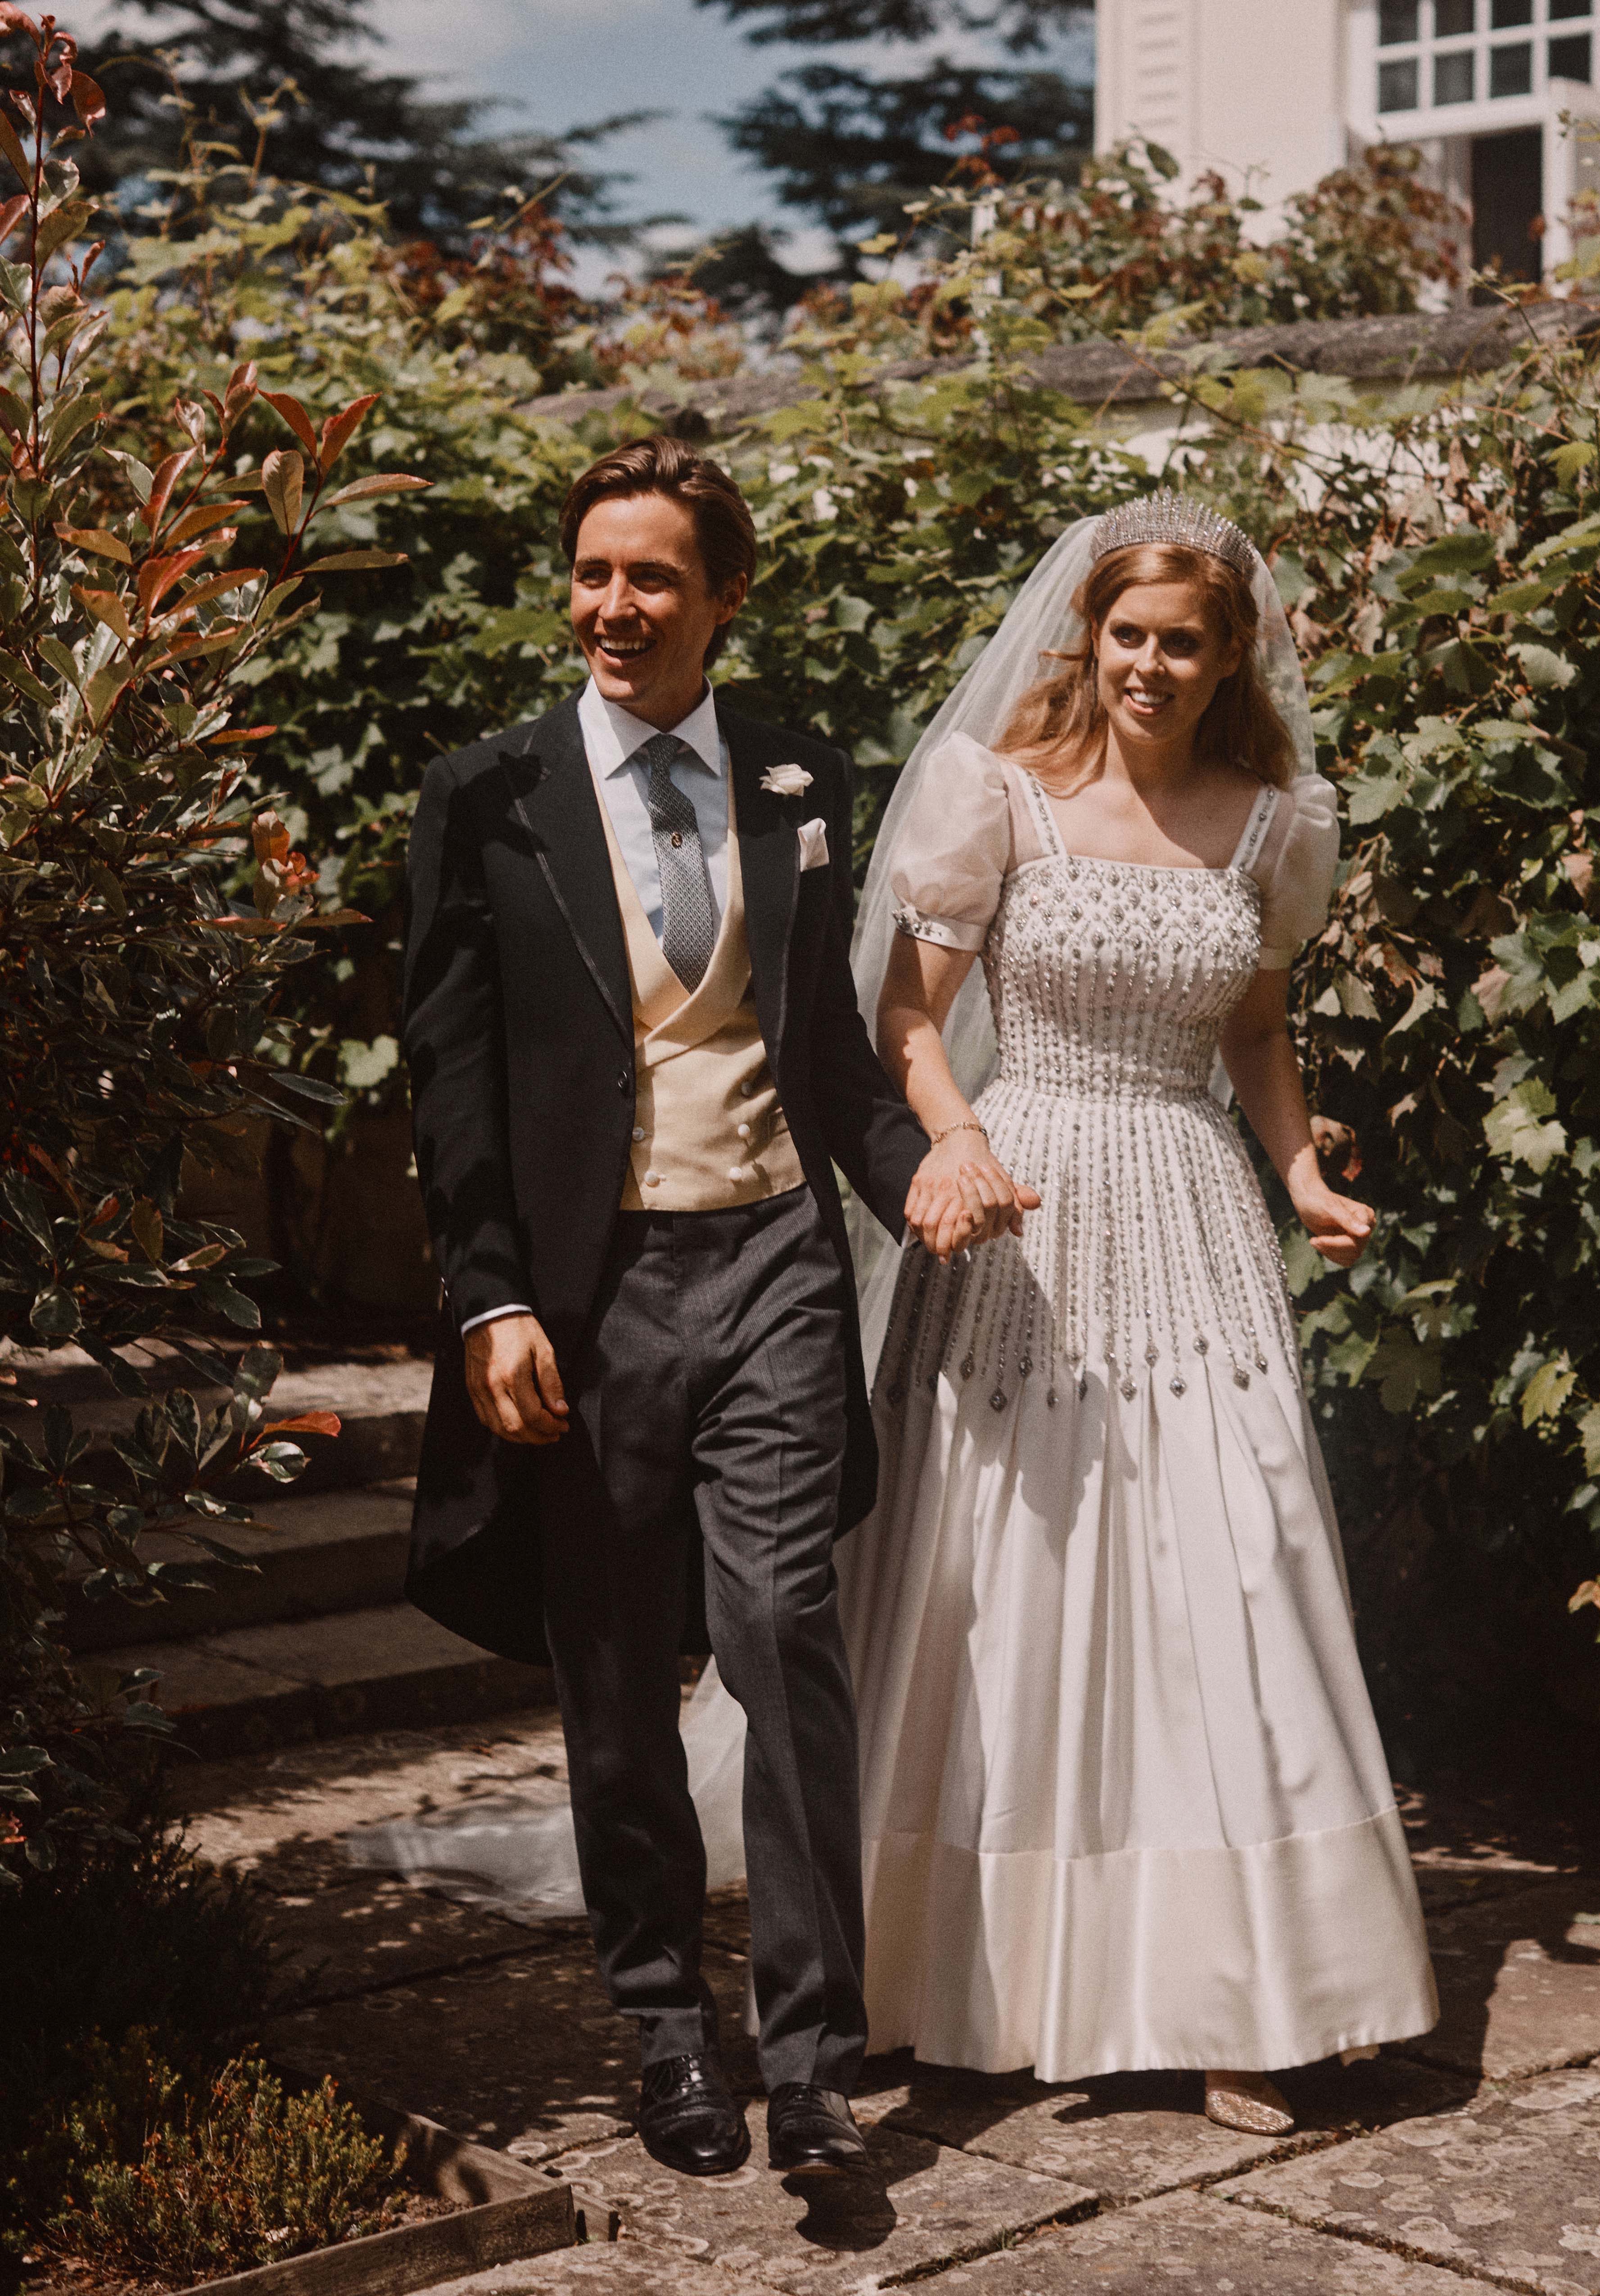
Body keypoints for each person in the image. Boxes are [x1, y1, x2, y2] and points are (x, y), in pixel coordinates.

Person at [398, 434, 1023, 2184]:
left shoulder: (796, 771)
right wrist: (488, 1296)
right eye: (592, 572)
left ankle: (813, 2058)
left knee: (782, 1645)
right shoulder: (489, 794)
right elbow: (447, 1077)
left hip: (769, 1265)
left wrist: (915, 1161)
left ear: (721, 596)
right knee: (611, 1672)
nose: (612, 606)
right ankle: (668, 2033)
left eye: (651, 575)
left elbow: (822, 1051)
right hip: (591, 1299)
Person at [834, 489, 1439, 2130]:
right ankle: (928, 1972)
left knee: (1229, 1572)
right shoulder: (998, 797)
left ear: (1231, 650)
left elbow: (1254, 1030)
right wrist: (957, 1143)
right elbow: (907, 1015)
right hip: (1024, 1208)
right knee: (1002, 1574)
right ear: (1085, 638)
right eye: (1128, 636)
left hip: (1191, 1207)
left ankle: (1247, 1993)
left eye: (1185, 641)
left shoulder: (1272, 823)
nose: (1152, 666)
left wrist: (1300, 1168)